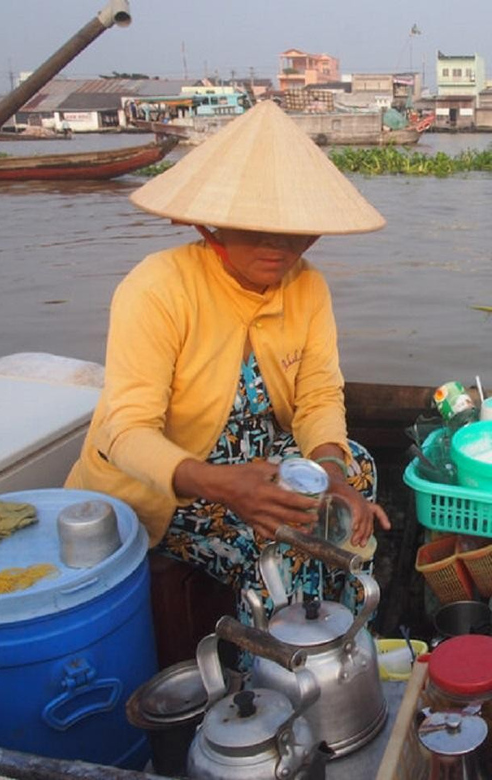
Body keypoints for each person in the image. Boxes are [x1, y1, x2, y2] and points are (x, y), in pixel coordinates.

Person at [65, 101, 391, 654]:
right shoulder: (158, 287)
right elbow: (125, 431)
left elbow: (317, 394)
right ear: (211, 222)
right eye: (256, 226)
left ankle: (338, 638)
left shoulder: (307, 287)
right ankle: (271, 676)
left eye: (293, 231)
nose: (279, 246)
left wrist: (332, 471)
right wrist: (224, 485)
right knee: (282, 541)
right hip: (172, 482)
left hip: (261, 462)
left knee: (358, 470)